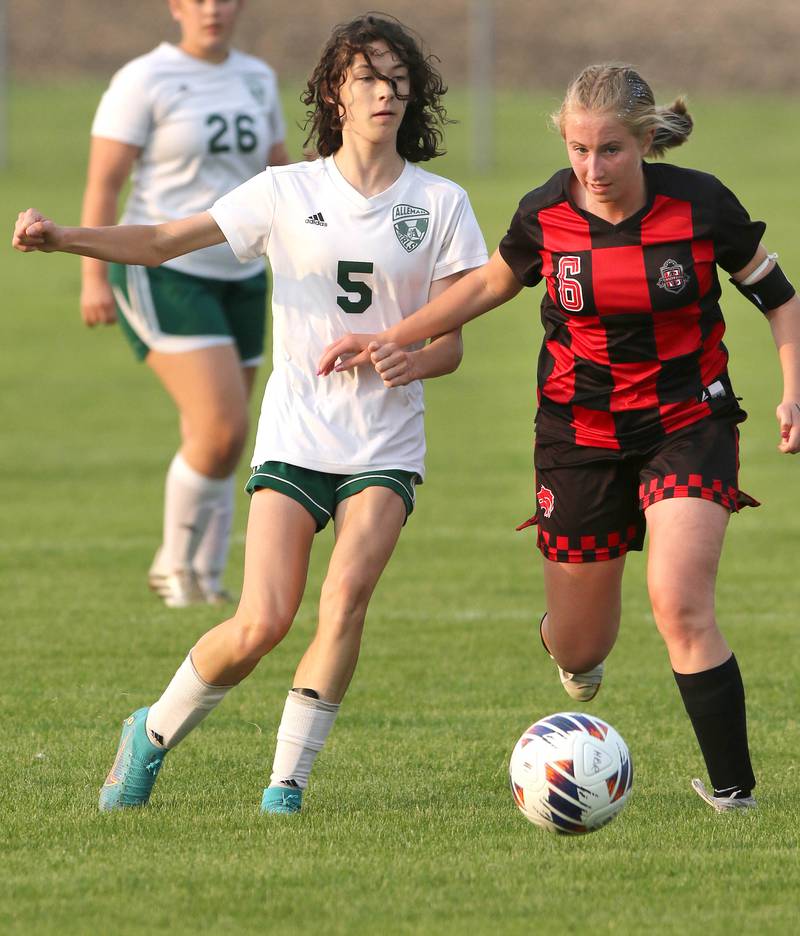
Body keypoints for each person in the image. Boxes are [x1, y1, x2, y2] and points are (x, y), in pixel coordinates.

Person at [14, 13, 488, 813]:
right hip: (299, 437)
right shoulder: (285, 191)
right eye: (368, 77)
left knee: (344, 600)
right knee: (261, 620)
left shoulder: (440, 203)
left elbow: (450, 345)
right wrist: (67, 240)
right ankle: (150, 735)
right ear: (334, 94)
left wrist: (411, 354)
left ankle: (285, 787)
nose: (386, 91)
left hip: (385, 443)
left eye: (398, 79)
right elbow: (165, 239)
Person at [319, 64, 800, 815]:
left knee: (681, 604)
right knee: (581, 646)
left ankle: (736, 793)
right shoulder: (547, 211)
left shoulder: (701, 205)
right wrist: (391, 336)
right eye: (579, 149)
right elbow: (484, 286)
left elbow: (778, 297)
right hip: (576, 433)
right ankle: (568, 649)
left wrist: (793, 388)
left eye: (610, 150)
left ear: (644, 142)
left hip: (688, 421)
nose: (592, 168)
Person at [80, 0, 289, 607]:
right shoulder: (144, 79)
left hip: (241, 270)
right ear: (176, 7)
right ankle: (173, 565)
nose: (212, 10)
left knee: (220, 431)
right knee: (223, 428)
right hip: (167, 270)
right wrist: (95, 276)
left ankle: (203, 574)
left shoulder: (256, 76)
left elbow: (277, 171)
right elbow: (105, 182)